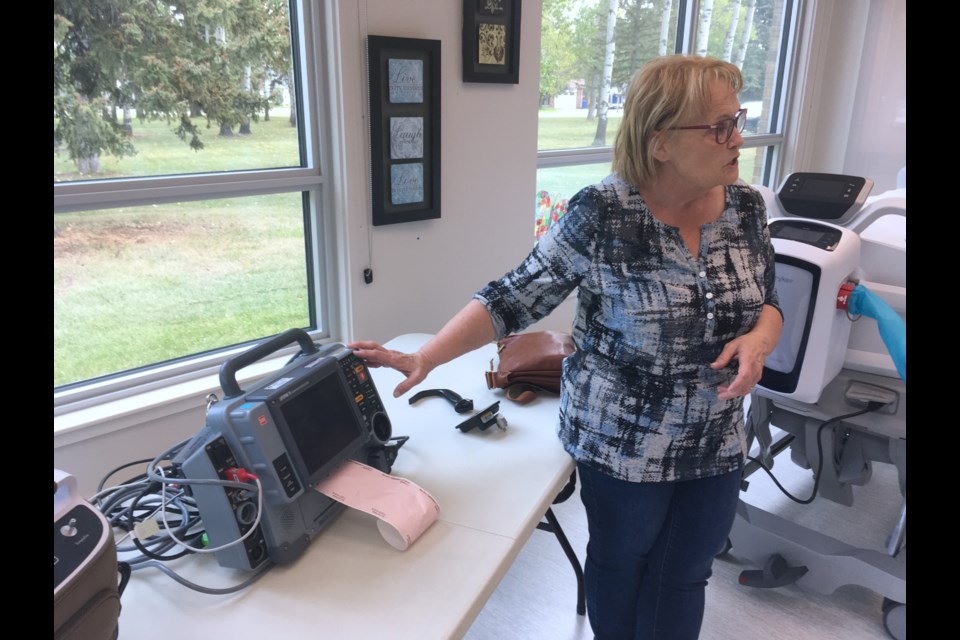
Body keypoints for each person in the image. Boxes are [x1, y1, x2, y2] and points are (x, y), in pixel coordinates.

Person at [350, 54, 783, 640]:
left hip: (717, 436)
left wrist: (758, 339)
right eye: (720, 126)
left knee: (684, 575)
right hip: (622, 441)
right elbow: (513, 296)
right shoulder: (604, 213)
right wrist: (426, 357)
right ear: (659, 143)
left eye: (739, 118)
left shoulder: (748, 209)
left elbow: (770, 304)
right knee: (622, 565)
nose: (739, 137)